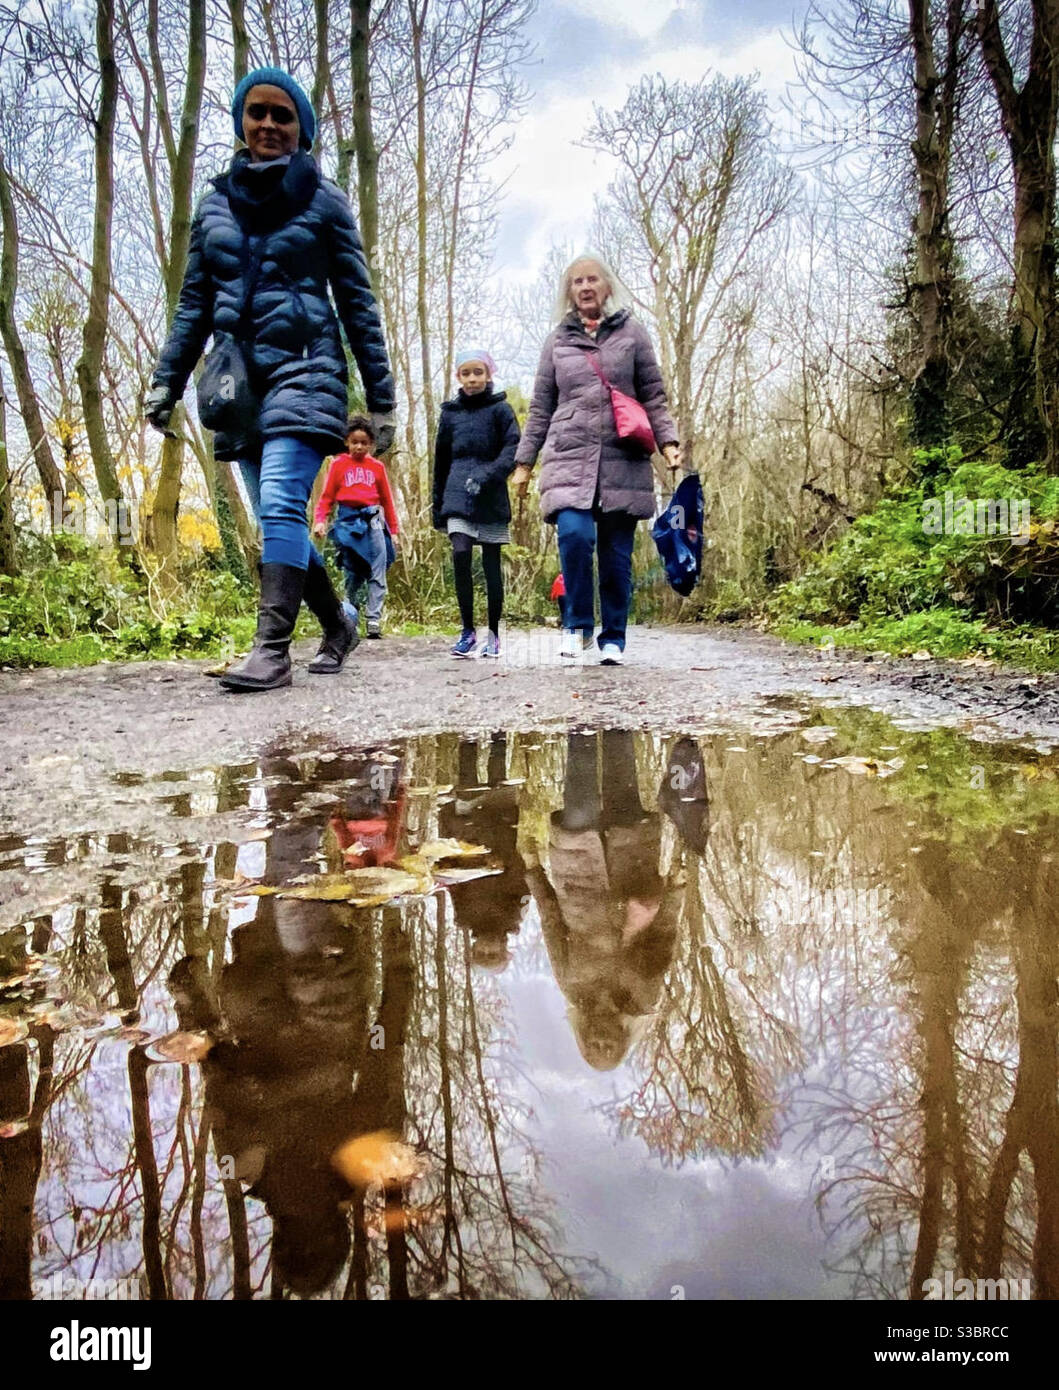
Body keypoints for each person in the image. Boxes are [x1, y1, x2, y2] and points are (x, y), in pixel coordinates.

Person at [145, 67, 396, 691]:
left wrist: (382, 398)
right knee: (274, 519)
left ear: (301, 131)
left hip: (308, 367)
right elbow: (193, 304)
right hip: (238, 385)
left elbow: (358, 303)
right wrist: (166, 381)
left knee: (283, 502)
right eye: (257, 112)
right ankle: (337, 624)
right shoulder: (212, 207)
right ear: (241, 121)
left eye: (283, 116)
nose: (268, 124)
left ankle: (272, 649)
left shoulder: (326, 202)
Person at [512, 254, 681, 666]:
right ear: (568, 292)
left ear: (607, 286)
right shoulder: (557, 341)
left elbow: (653, 395)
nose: (585, 287)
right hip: (569, 453)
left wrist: (669, 441)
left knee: (616, 554)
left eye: (592, 280)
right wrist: (523, 462)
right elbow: (541, 407)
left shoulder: (633, 334)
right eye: (577, 282)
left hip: (623, 456)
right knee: (574, 535)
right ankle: (577, 626)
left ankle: (614, 637)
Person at [432, 349, 520, 659]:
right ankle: (467, 630)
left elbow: (513, 448)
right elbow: (440, 462)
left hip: (491, 496)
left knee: (491, 566)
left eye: (478, 372)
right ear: (458, 377)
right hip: (456, 494)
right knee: (460, 554)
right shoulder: (450, 414)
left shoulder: (501, 410)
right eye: (466, 373)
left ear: (488, 375)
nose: (472, 379)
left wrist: (489, 475)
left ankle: (494, 633)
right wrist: (437, 507)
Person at [313, 415, 399, 640]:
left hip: (374, 521)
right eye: (354, 442)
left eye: (364, 442)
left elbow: (387, 501)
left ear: (371, 444)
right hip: (348, 521)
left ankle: (374, 618)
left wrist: (395, 531)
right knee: (353, 571)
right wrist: (320, 519)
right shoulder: (338, 465)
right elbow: (327, 497)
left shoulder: (377, 468)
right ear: (347, 442)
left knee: (378, 568)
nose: (359, 446)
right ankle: (350, 614)